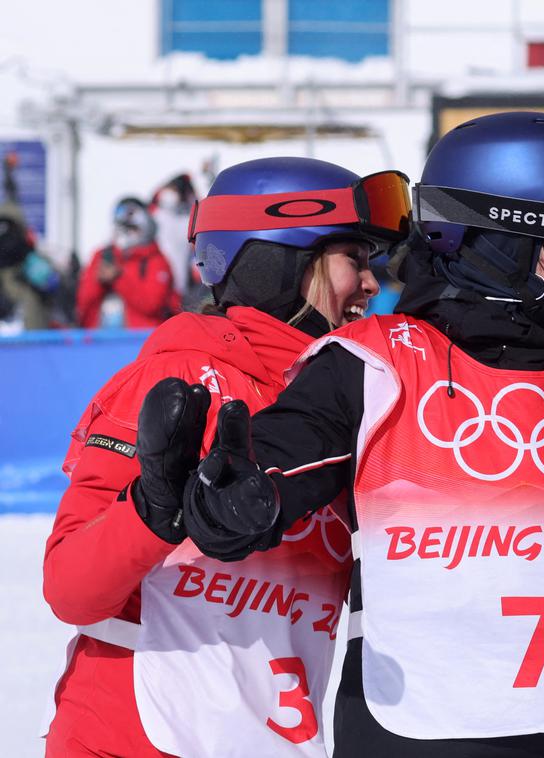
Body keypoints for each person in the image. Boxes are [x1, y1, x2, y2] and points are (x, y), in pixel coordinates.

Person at [135, 111, 544, 757]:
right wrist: (231, 498)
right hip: (422, 726)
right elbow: (279, 464)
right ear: (507, 233)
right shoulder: (375, 362)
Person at [42, 157, 412, 757]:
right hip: (134, 737)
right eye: (354, 259)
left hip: (270, 738)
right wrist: (154, 509)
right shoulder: (178, 379)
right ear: (278, 260)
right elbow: (70, 588)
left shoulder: (355, 394)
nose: (371, 285)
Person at [77, 197, 180, 328]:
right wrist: (98, 282)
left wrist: (119, 278)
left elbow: (152, 305)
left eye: (132, 228)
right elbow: (84, 304)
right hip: (101, 342)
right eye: (123, 227)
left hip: (141, 340)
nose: (127, 233)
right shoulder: (103, 256)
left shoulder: (156, 260)